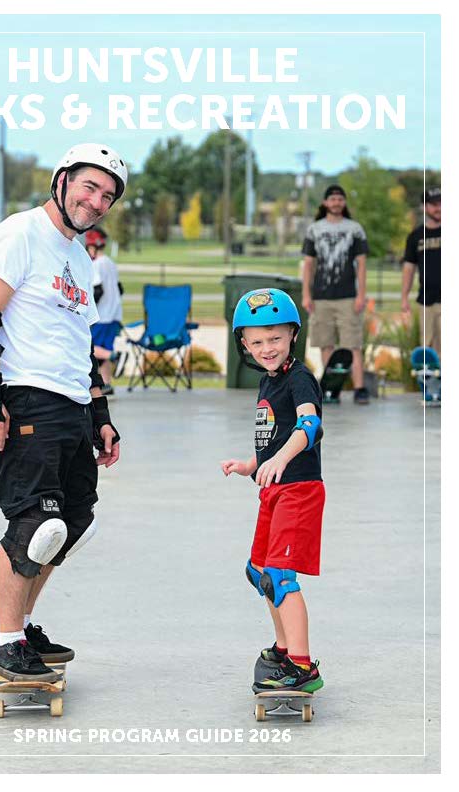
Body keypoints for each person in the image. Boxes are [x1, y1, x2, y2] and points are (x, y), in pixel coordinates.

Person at [0, 143, 127, 681]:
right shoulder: (20, 233)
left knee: (72, 525)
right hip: (26, 397)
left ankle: (18, 624)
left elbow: (79, 343)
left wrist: (99, 411)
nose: (97, 201)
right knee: (35, 523)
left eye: (108, 195)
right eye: (89, 187)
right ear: (63, 180)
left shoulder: (79, 257)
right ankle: (7, 645)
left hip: (73, 404)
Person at [221, 288, 325, 693]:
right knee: (259, 571)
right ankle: (284, 649)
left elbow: (308, 426)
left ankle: (302, 667)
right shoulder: (267, 381)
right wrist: (254, 463)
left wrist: (282, 458)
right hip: (275, 488)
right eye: (258, 341)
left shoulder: (300, 379)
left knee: (281, 576)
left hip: (299, 489)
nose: (268, 348)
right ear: (244, 344)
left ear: (293, 336)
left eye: (276, 339)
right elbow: (274, 435)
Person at [301, 185, 370, 405]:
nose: (336, 202)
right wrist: (306, 294)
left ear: (345, 203)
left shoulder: (355, 229)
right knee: (325, 344)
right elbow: (308, 264)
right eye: (332, 199)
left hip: (348, 296)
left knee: (353, 344)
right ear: (325, 203)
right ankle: (331, 389)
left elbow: (361, 264)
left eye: (340, 198)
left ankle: (360, 388)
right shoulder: (314, 229)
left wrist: (361, 295)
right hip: (321, 296)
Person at [401, 187, 441, 357]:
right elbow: (409, 268)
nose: (439, 208)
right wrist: (404, 297)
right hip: (426, 301)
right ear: (424, 207)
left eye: (442, 203)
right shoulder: (416, 236)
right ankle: (431, 384)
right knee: (427, 351)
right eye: (434, 204)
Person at [86, 226, 126, 396]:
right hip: (115, 314)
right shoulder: (110, 263)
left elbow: (98, 290)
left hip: (101, 316)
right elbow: (120, 288)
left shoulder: (96, 265)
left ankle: (115, 356)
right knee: (103, 347)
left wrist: (88, 310)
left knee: (92, 349)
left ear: (92, 247)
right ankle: (106, 384)